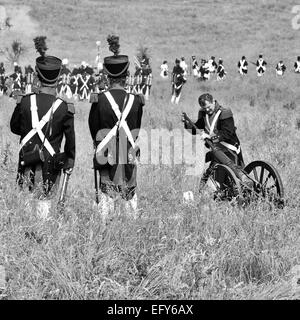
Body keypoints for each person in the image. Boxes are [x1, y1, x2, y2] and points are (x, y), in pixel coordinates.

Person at [10, 36, 76, 219]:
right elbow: (70, 141)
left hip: (27, 159)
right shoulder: (64, 107)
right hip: (50, 164)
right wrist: (70, 161)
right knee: (43, 206)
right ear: (58, 78)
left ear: (37, 76)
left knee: (24, 204)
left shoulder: (25, 101)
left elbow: (14, 128)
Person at [88, 34, 145, 221]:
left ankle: (105, 226)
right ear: (126, 75)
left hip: (106, 149)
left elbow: (93, 128)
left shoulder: (99, 99)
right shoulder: (136, 101)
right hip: (128, 149)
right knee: (130, 190)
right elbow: (136, 127)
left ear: (107, 75)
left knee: (106, 190)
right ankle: (131, 225)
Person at [181, 93, 252, 189]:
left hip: (230, 148)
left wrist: (211, 137)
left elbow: (227, 133)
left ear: (213, 101)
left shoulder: (225, 112)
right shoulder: (203, 114)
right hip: (216, 149)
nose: (207, 110)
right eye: (204, 108)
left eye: (208, 107)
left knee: (232, 178)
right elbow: (196, 128)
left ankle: (241, 179)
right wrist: (187, 124)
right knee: (219, 178)